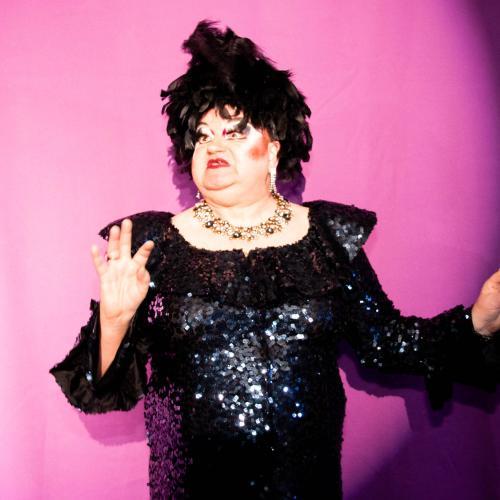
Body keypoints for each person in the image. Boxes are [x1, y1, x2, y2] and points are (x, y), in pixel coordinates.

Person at [49, 20, 500, 499]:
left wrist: (480, 320)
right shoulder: (151, 245)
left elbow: (387, 342)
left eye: (235, 131)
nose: (214, 145)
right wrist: (114, 321)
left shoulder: (325, 238)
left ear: (273, 149)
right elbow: (98, 386)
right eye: (202, 135)